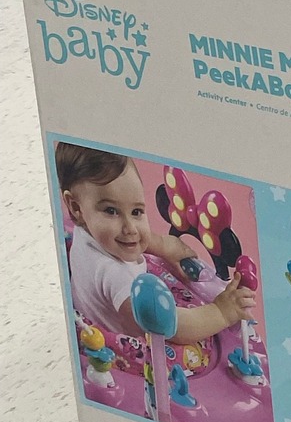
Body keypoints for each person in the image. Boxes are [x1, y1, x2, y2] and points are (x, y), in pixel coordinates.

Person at [55, 144, 255, 346]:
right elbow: (171, 327)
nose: (130, 228)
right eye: (111, 211)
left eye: (136, 212)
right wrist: (221, 312)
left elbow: (122, 237)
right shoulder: (116, 276)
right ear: (75, 206)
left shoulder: (86, 227)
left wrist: (163, 245)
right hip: (131, 345)